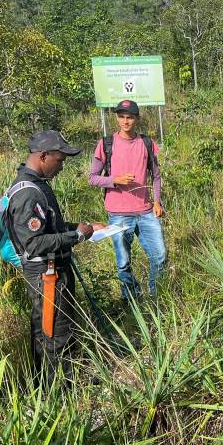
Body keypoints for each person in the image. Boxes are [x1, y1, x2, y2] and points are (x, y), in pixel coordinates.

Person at [6, 130, 100, 386]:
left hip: (54, 272)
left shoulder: (39, 186)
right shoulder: (28, 193)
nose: (62, 166)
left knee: (50, 331)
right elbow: (34, 243)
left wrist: (79, 229)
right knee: (55, 334)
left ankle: (47, 389)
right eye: (60, 160)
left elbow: (49, 227)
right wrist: (76, 237)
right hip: (47, 277)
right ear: (43, 156)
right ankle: (58, 393)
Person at [89, 100, 166, 302]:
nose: (125, 121)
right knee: (123, 263)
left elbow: (156, 176)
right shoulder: (106, 144)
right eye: (121, 116)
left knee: (159, 256)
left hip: (146, 211)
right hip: (119, 214)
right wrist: (115, 179)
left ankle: (156, 297)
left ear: (137, 119)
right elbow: (93, 178)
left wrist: (157, 201)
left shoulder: (146, 143)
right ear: (116, 118)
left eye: (130, 117)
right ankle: (132, 299)